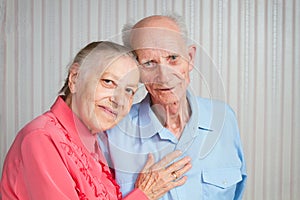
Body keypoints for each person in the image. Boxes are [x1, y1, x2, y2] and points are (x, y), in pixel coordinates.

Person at [0, 41, 192, 200]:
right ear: (75, 79)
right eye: (108, 82)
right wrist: (144, 195)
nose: (118, 100)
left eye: (129, 91)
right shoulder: (40, 138)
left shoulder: (93, 142)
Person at [99, 15, 247, 199]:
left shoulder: (224, 118)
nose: (164, 75)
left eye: (173, 58)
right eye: (149, 63)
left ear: (190, 58)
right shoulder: (111, 131)